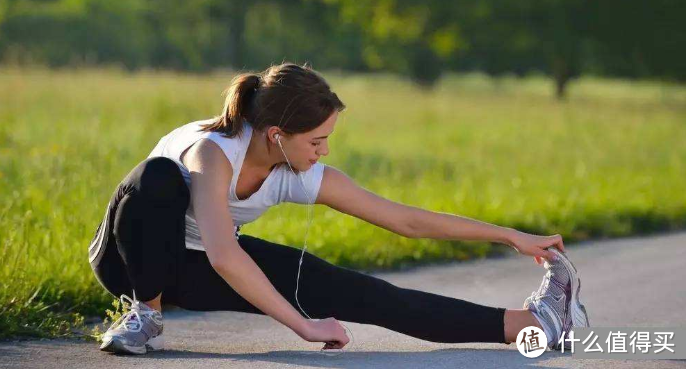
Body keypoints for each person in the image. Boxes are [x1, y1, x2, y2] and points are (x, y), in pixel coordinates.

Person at [88, 62, 589, 356]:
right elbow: (224, 253)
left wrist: (510, 235)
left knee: (359, 291)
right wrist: (304, 327)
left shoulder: (296, 168)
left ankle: (532, 324)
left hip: (193, 267)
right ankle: (144, 315)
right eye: (318, 140)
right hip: (129, 260)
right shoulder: (213, 152)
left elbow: (404, 220)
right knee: (153, 179)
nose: (324, 151)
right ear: (278, 136)